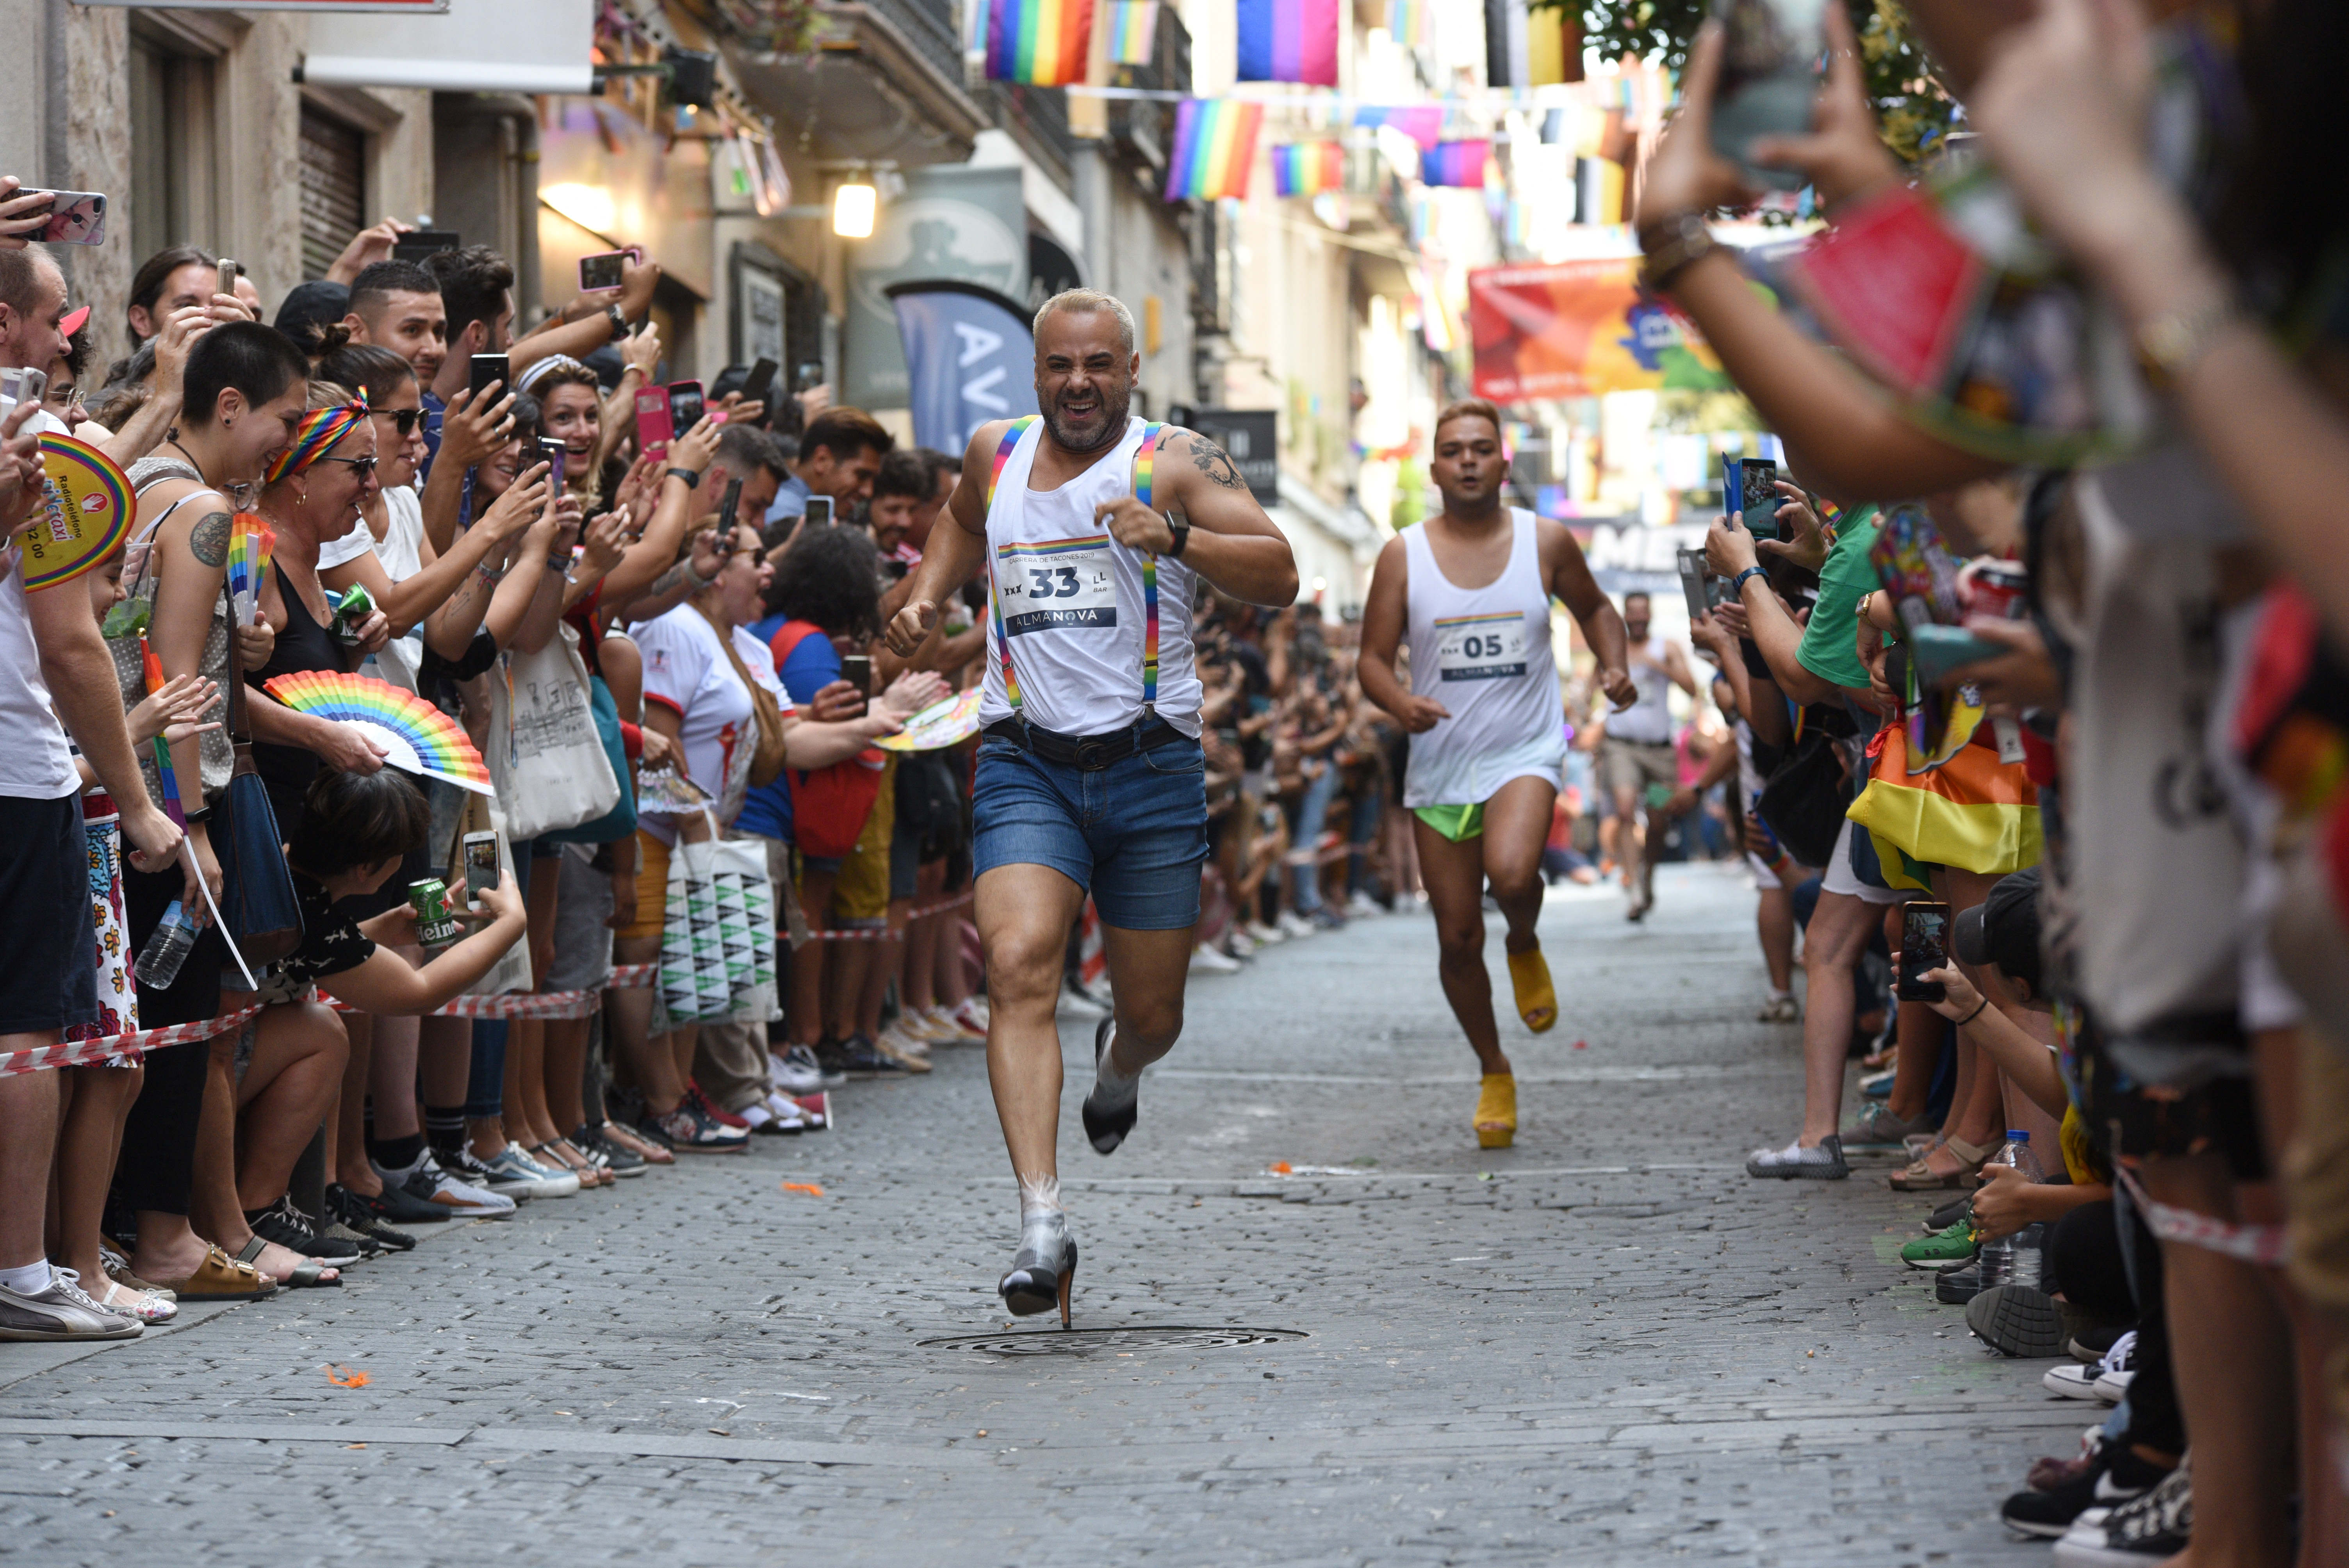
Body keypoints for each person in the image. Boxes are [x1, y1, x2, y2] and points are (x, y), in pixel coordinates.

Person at [885, 287, 1299, 1324]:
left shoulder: (1176, 462)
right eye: (1061, 366)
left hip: (1150, 770)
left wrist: (1176, 539)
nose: (1079, 383)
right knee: (1020, 965)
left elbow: (1282, 574)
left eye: (1099, 366)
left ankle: (1121, 1070)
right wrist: (930, 596)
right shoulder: (995, 452)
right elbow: (957, 523)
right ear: (1035, 375)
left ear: (1130, 372)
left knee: (1154, 1015)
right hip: (1025, 756)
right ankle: (1040, 1221)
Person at [1357, 399, 1633, 1149]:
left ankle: (1523, 937)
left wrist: (1614, 665)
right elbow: (1371, 662)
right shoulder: (1402, 554)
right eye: (1455, 450)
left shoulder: (1544, 542)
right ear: (1436, 467)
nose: (1470, 460)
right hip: (1442, 762)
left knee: (1513, 875)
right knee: (1453, 937)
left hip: (1525, 750)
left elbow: (1597, 610)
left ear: (1505, 464)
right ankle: (1493, 1067)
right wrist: (1398, 702)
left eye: (1483, 448)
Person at [1597, 590, 1699, 920]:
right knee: (1626, 811)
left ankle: (1648, 873)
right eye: (1632, 613)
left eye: (1644, 613)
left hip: (1658, 754)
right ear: (1625, 616)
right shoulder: (1613, 651)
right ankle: (1635, 890)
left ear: (1650, 615)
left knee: (1657, 820)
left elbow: (1693, 688)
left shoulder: (1665, 648)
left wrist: (1660, 668)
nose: (1638, 619)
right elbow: (1593, 691)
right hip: (1621, 746)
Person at [762, 406, 893, 537]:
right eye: (862, 475)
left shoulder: (802, 514)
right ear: (822, 460)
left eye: (873, 480)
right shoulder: (787, 517)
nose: (869, 492)